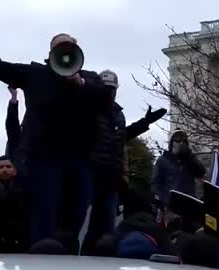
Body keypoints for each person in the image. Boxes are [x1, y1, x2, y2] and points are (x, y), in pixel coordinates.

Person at [0, 18, 108, 245]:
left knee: (75, 215)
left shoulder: (89, 79)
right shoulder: (35, 74)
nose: (64, 52)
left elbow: (105, 103)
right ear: (50, 53)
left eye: (69, 47)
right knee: (44, 217)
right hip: (44, 160)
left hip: (79, 159)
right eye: (59, 48)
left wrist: (79, 83)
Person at [81, 70, 166, 255]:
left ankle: (101, 257)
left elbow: (122, 138)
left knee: (106, 223)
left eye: (112, 88)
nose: (109, 92)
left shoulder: (118, 114)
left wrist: (144, 123)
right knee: (82, 221)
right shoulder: (88, 109)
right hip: (91, 173)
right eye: (105, 88)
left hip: (112, 177)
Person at [151, 128, 206, 208]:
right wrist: (160, 199)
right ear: (172, 143)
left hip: (189, 203)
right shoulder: (163, 160)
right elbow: (155, 182)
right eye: (177, 140)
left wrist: (190, 156)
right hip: (170, 204)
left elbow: (201, 172)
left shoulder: (189, 159)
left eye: (183, 141)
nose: (180, 143)